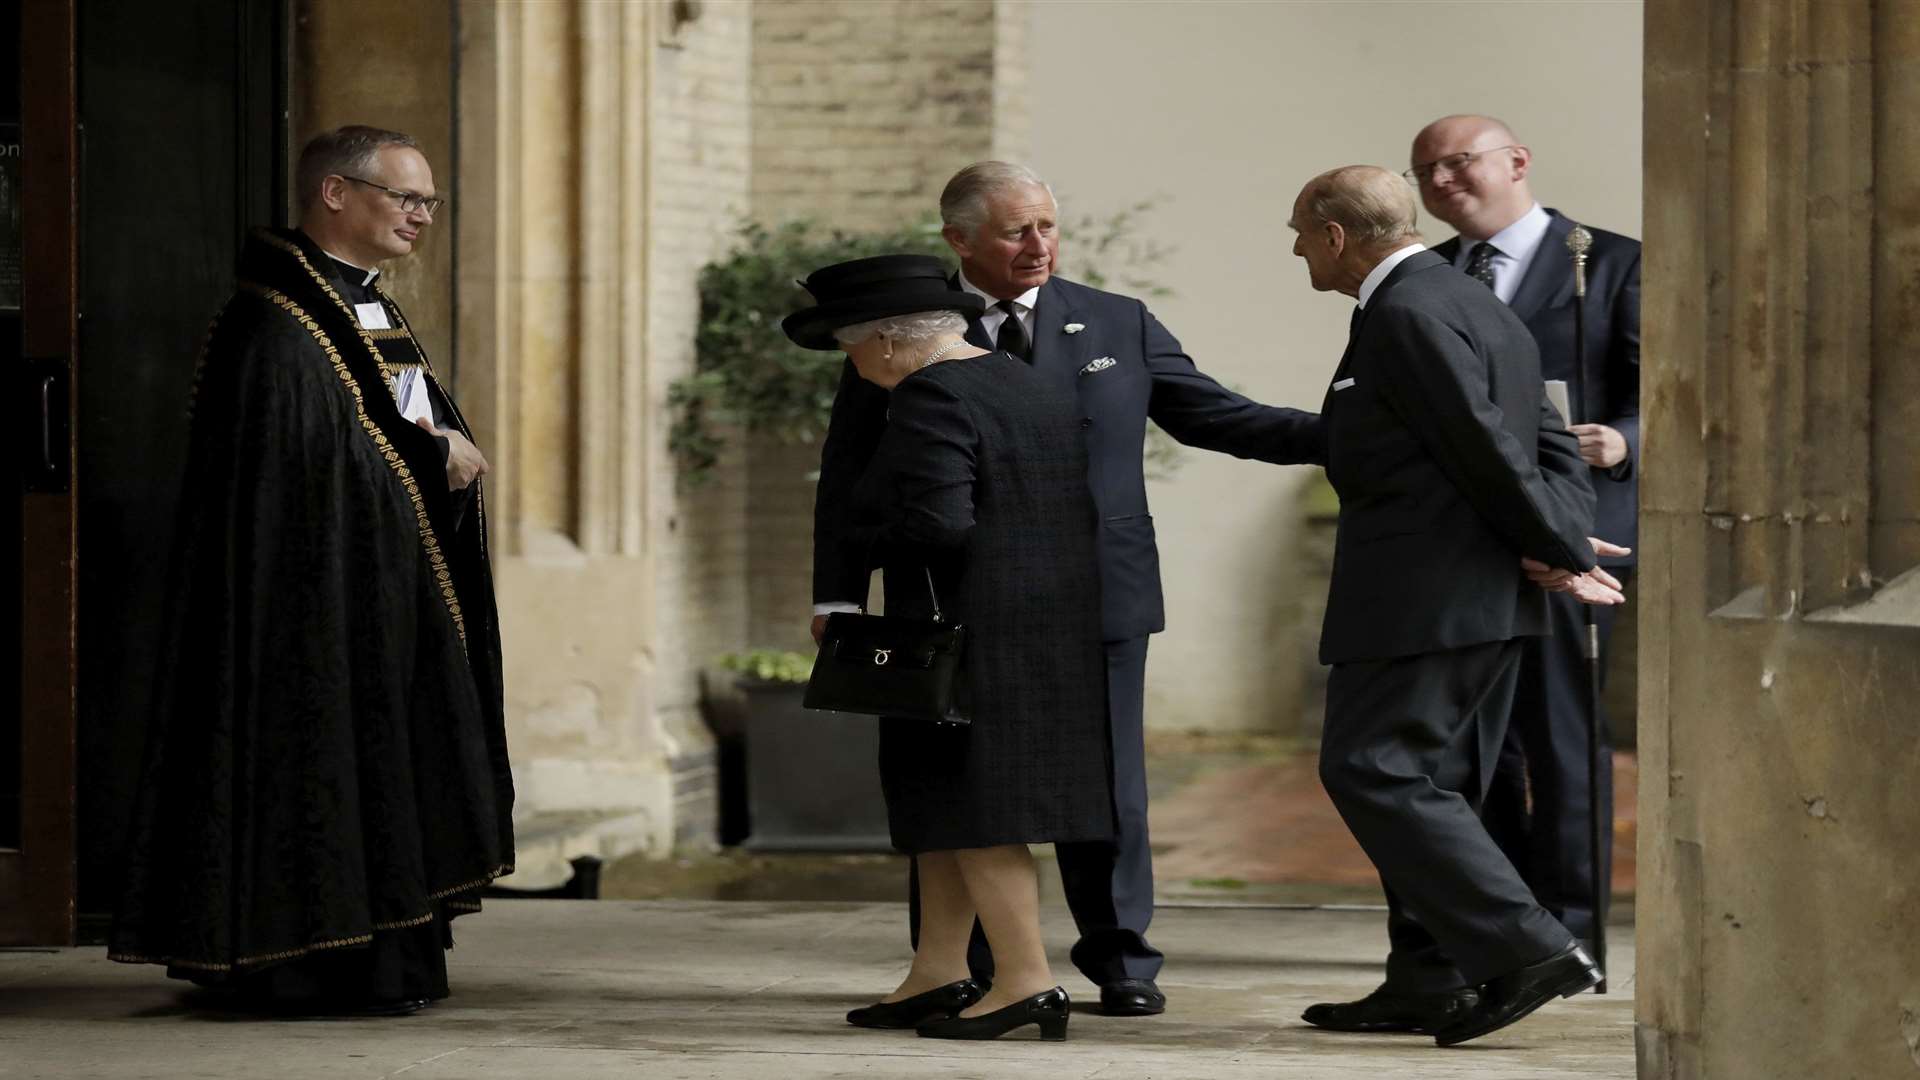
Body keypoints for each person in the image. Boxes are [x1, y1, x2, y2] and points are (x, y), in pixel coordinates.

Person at [810, 162, 1323, 1017]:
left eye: (1048, 225)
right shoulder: (905, 331)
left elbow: (1219, 415)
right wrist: (837, 594)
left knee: (1105, 781)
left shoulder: (1115, 321)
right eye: (1017, 231)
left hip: (1103, 591)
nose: (1040, 245)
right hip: (947, 603)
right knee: (958, 779)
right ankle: (958, 965)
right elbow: (848, 476)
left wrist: (1356, 439)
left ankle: (1120, 960)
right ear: (960, 241)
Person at [108, 125, 512, 1016]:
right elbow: (308, 464)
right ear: (335, 193)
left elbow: (381, 423)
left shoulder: (362, 303)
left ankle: (387, 946)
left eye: (429, 202)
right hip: (304, 607)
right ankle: (301, 962)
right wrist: (428, 450)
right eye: (405, 197)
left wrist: (436, 449)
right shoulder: (276, 323)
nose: (422, 216)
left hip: (379, 589)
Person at [1281, 165, 1628, 1046]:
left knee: (1375, 769)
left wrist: (1557, 549)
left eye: (1298, 234)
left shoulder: (1405, 312)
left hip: (1423, 599)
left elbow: (1484, 448)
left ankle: (1530, 949)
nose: (1294, 251)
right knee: (1437, 782)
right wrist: (1565, 541)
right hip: (1478, 596)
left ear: (1334, 235)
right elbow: (1550, 442)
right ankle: (1428, 978)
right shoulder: (1472, 300)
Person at [785, 253, 1110, 1041]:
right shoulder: (1026, 380)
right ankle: (939, 969)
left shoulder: (930, 395)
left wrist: (872, 526)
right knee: (938, 801)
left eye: (849, 346)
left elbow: (940, 524)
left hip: (964, 635)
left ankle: (1027, 979)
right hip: (1041, 629)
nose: (851, 363)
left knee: (978, 808)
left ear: (889, 343)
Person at [1407, 114, 1641, 969]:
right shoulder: (1425, 275)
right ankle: (1499, 929)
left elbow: (1682, 386)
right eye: (1426, 171)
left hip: (1572, 535)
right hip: (1462, 544)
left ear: (1517, 161)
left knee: (1563, 735)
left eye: (1459, 162)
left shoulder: (1610, 263)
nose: (1442, 182)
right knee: (1472, 746)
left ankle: (1572, 929)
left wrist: (1627, 440)